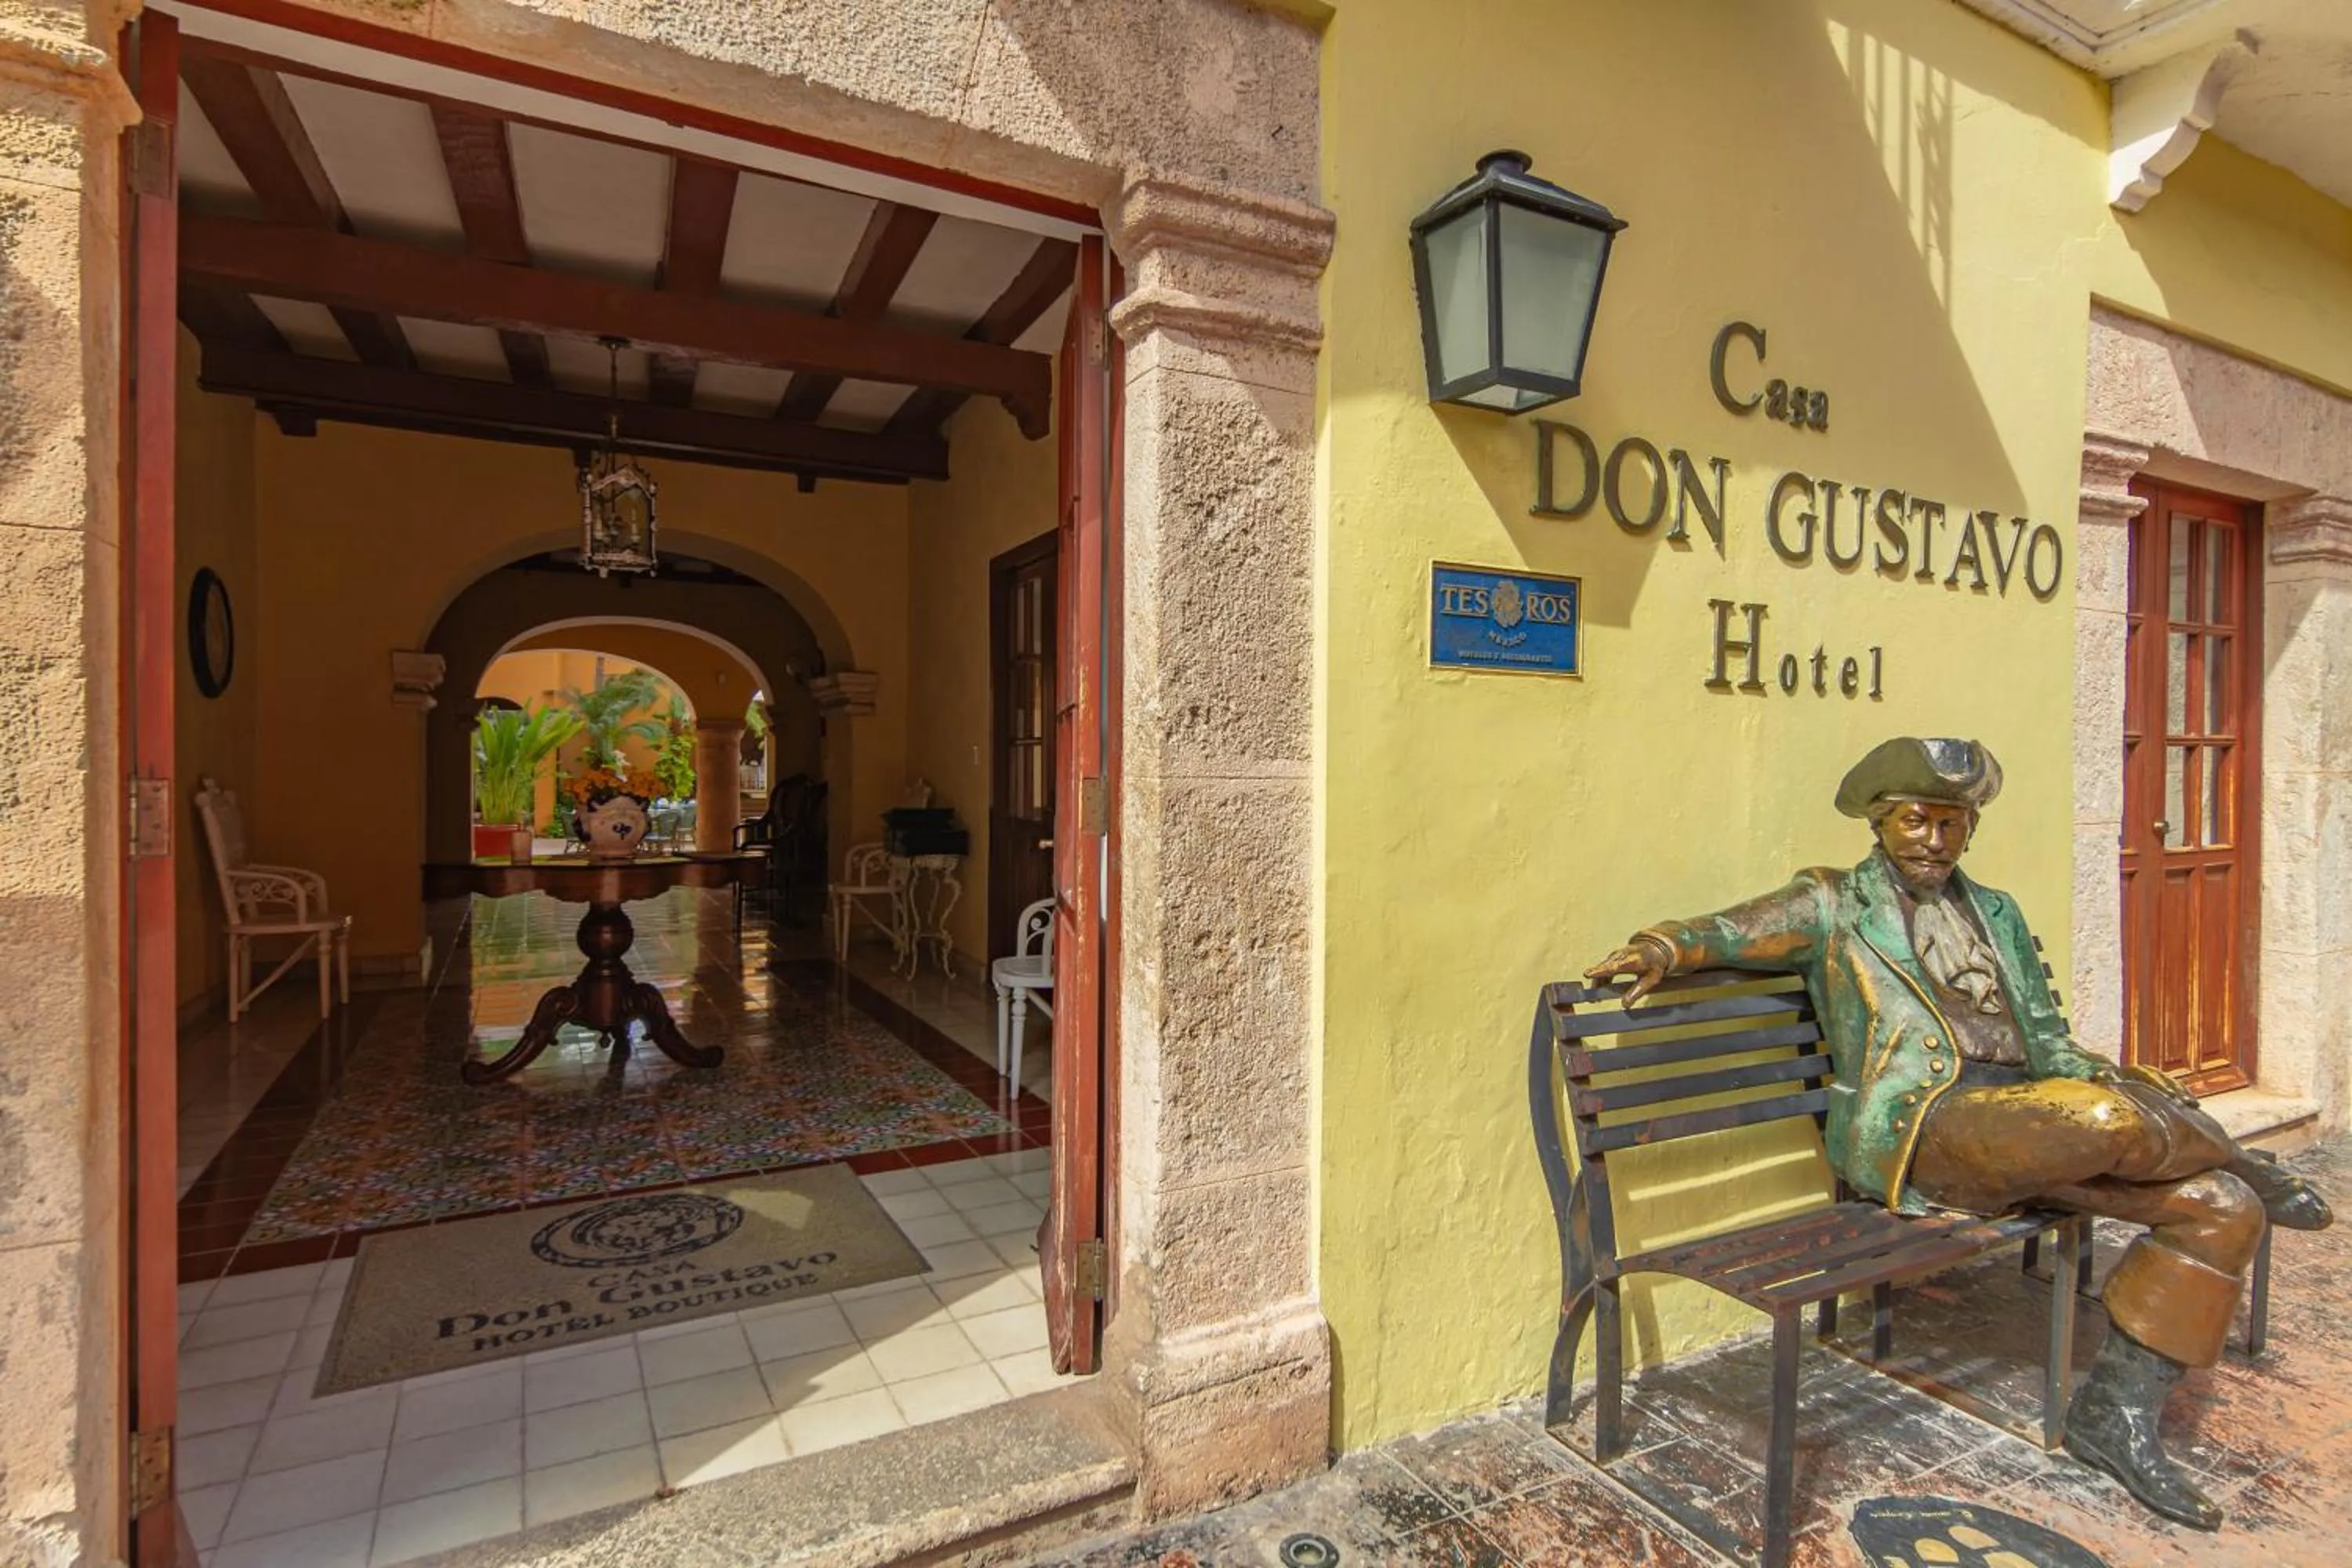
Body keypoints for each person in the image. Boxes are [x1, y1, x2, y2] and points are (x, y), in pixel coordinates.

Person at [1585, 736, 2330, 1531]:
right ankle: (2247, 1156)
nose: (1936, 839)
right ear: (1881, 822)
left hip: (2032, 1120)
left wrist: (2102, 1072)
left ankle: (2114, 1414)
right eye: (1917, 820)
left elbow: (2046, 1038)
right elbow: (1733, 930)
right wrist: (1662, 944)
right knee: (2113, 1120)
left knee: (2221, 1206)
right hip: (1926, 1131)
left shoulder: (1997, 910)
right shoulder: (1833, 901)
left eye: (1953, 822)